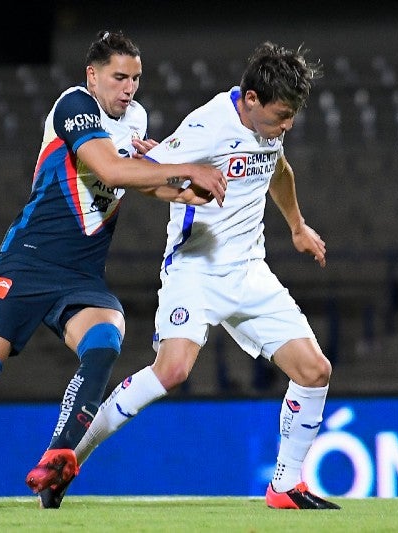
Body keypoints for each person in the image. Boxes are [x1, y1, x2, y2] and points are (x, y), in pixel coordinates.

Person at [0, 30, 227, 511]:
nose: (129, 88)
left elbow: (135, 183)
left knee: (106, 338)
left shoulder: (135, 119)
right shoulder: (74, 105)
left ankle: (56, 459)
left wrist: (179, 189)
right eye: (118, 77)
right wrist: (184, 168)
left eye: (135, 78)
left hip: (81, 272)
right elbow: (110, 171)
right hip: (28, 260)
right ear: (92, 76)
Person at [41, 42, 341, 510]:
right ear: (251, 99)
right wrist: (176, 175)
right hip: (194, 269)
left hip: (248, 271)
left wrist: (298, 227)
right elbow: (141, 177)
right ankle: (68, 455)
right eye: (282, 115)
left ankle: (285, 485)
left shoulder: (269, 125)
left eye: (292, 116)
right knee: (173, 371)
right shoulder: (208, 125)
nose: (288, 125)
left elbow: (279, 170)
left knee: (315, 370)